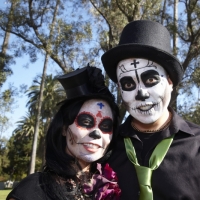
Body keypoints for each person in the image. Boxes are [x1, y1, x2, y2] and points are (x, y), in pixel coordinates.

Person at [101, 20, 200, 199]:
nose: (141, 93)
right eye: (128, 84)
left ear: (170, 81)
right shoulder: (106, 146)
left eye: (150, 79)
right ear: (120, 90)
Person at [7, 65, 121, 200]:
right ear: (64, 128)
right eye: (85, 122)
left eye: (106, 126)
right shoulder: (32, 190)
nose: (96, 133)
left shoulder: (109, 187)